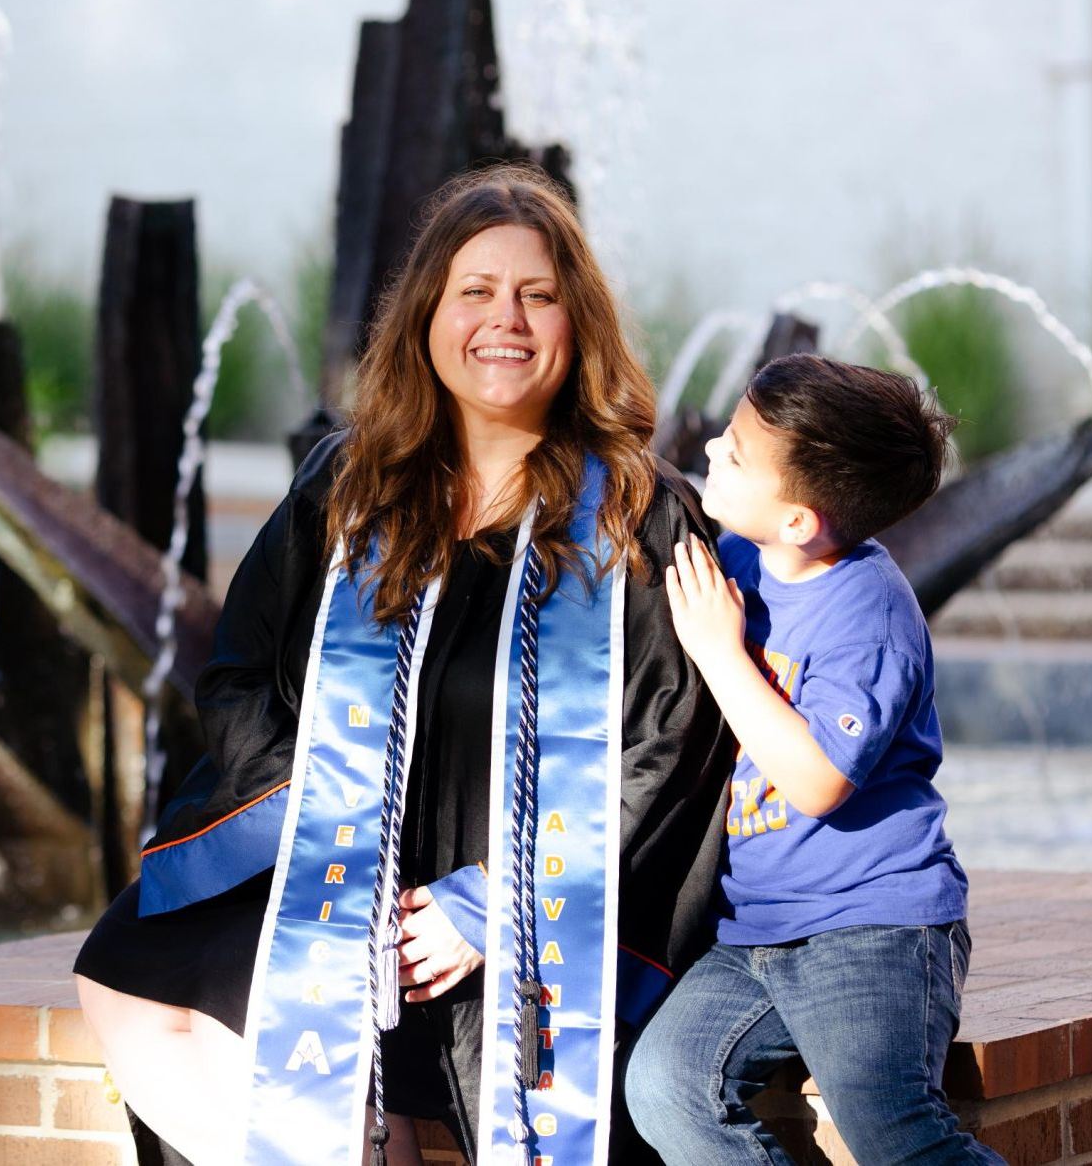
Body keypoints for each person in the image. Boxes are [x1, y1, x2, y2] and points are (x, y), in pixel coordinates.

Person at [74, 164, 733, 1166]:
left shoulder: (635, 512)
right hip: (347, 876)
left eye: (536, 296)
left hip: (528, 904)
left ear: (577, 325)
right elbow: (240, 674)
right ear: (426, 315)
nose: (502, 320)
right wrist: (330, 849)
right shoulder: (348, 485)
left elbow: (674, 746)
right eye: (475, 292)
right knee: (129, 968)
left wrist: (495, 902)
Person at [625, 353, 1005, 1165]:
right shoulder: (735, 562)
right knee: (663, 1086)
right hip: (748, 932)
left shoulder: (868, 612)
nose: (715, 449)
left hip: (874, 924)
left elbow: (818, 780)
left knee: (892, 1128)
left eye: (736, 447)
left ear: (800, 519)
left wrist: (723, 655)